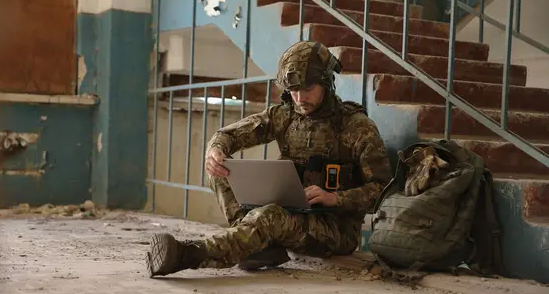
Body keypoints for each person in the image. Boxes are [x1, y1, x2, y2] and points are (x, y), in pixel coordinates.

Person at [145, 40, 393, 277]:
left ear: (326, 83)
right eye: (293, 91)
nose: (299, 98)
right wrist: (215, 150)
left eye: (307, 89)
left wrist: (335, 198)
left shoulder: (356, 126)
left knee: (270, 216)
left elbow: (383, 192)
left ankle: (187, 255)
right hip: (289, 211)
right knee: (220, 171)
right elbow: (228, 135)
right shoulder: (284, 115)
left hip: (334, 228)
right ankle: (259, 247)